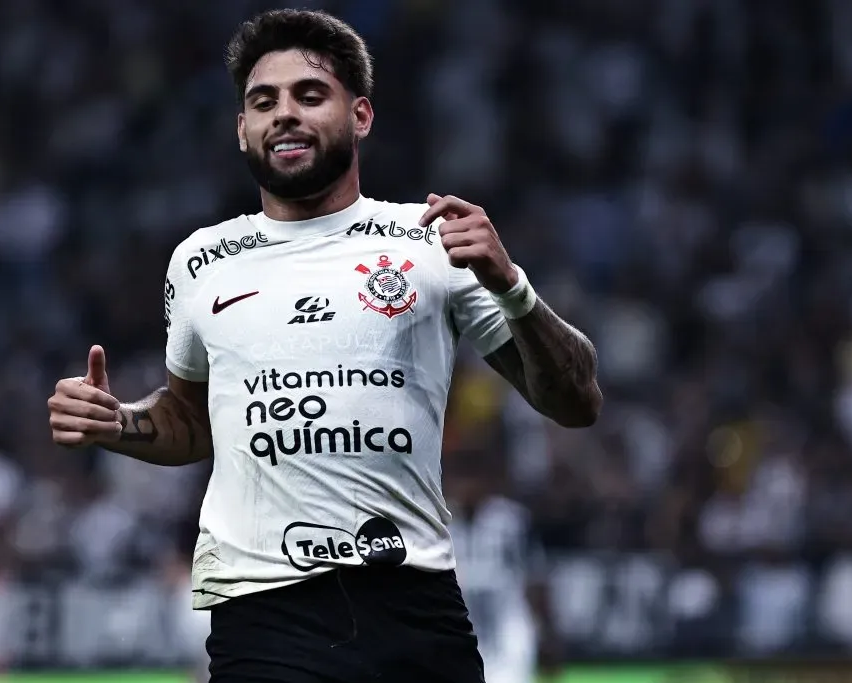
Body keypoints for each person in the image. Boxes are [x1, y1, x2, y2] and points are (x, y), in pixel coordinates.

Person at [47, 8, 602, 683]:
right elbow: (192, 422)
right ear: (242, 129)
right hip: (264, 612)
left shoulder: (430, 240)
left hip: (412, 601)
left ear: (360, 115)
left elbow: (577, 401)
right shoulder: (201, 262)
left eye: (309, 95)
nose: (284, 113)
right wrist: (120, 422)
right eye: (263, 101)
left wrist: (512, 287)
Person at [446, 464, 562, 683]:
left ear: (486, 482)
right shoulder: (444, 522)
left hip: (509, 627)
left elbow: (536, 575)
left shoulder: (512, 520)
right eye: (460, 480)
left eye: (472, 479)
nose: (466, 488)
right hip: (465, 629)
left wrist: (548, 634)